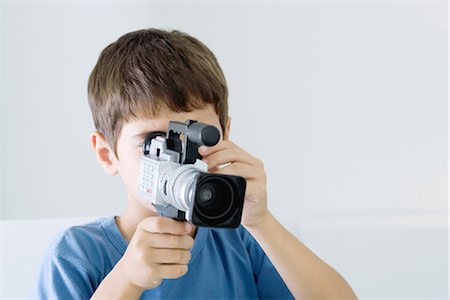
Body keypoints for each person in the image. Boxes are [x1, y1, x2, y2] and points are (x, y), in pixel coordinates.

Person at [34, 28, 357, 299]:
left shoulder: (241, 241)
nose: (177, 158)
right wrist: (127, 280)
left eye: (195, 136)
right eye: (153, 141)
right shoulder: (78, 255)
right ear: (108, 154)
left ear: (224, 134)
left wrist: (262, 222)